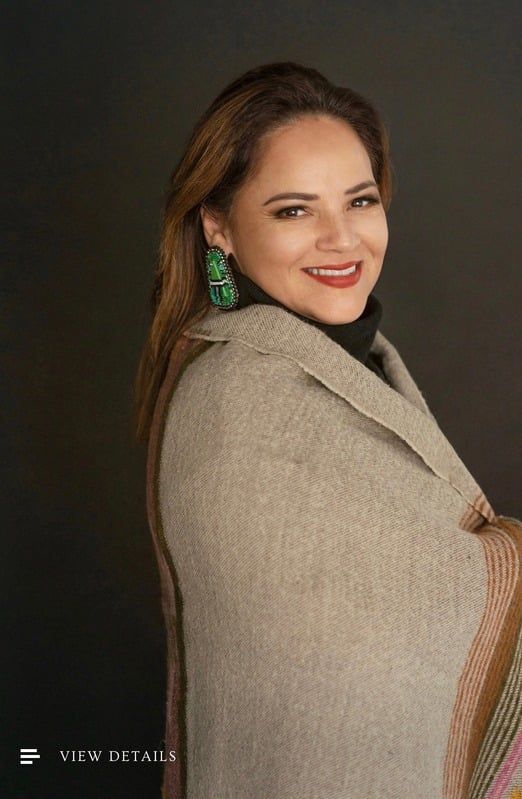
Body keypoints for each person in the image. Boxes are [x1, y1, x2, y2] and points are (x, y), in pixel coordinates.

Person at [134, 62, 522, 799]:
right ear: (219, 227)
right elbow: (330, 679)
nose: (342, 240)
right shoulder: (234, 405)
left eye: (361, 200)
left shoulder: (356, 363)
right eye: (294, 211)